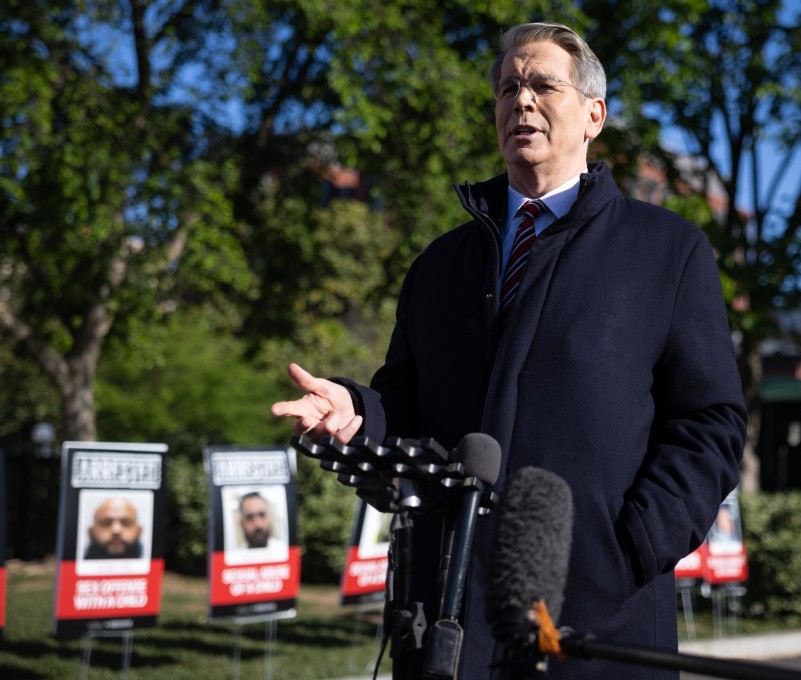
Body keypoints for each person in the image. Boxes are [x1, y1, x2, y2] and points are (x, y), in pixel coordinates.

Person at [272, 22, 747, 679]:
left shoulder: (666, 252)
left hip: (596, 622)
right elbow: (405, 407)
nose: (520, 102)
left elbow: (710, 424)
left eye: (543, 86)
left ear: (593, 115)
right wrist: (354, 411)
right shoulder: (439, 266)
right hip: (447, 622)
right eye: (507, 88)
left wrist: (629, 548)